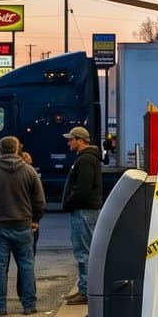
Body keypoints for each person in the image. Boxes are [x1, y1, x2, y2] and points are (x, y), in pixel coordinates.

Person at [0, 134, 44, 316]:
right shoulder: (29, 172)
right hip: (23, 225)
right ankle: (29, 305)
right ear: (16, 149)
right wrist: (35, 219)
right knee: (26, 265)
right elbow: (39, 201)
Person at [60, 125, 103, 305]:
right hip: (87, 210)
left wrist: (69, 202)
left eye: (71, 139)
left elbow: (82, 189)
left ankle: (85, 292)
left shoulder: (85, 160)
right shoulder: (87, 158)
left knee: (83, 252)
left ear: (80, 140)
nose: (69, 142)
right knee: (85, 250)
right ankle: (83, 287)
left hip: (84, 211)